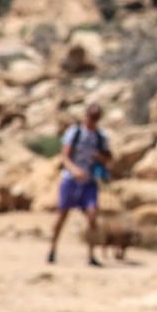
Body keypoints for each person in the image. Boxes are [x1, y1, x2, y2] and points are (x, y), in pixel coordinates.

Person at [48, 103, 112, 266]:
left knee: (92, 216)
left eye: (96, 118)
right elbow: (65, 156)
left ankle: (90, 255)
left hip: (89, 181)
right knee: (62, 215)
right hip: (71, 179)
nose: (93, 120)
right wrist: (75, 170)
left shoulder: (100, 136)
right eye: (91, 116)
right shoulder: (75, 133)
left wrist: (100, 158)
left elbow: (108, 157)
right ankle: (52, 249)